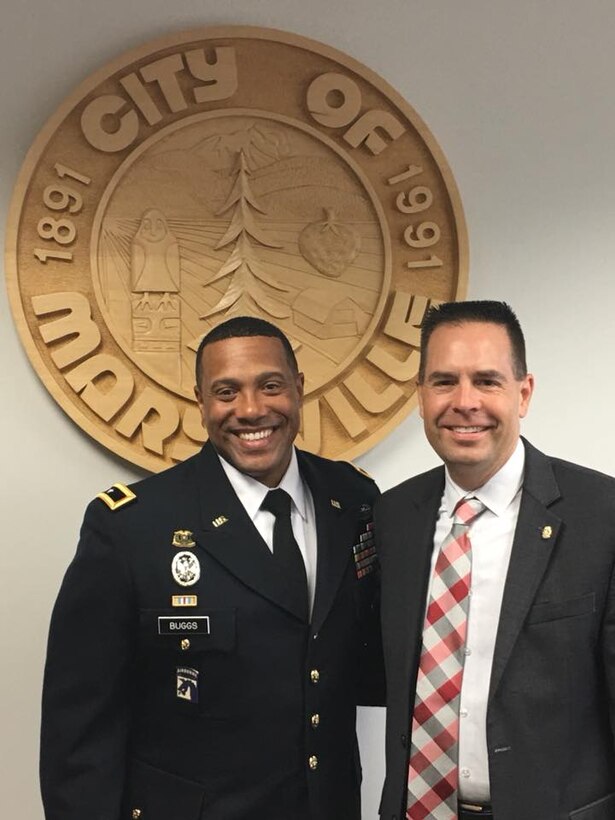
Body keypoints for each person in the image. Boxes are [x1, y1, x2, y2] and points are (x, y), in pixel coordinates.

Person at [40, 316, 384, 820]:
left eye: (270, 385)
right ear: (200, 402)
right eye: (227, 392)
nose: (251, 410)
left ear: (299, 389)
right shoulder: (132, 526)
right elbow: (80, 727)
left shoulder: (352, 499)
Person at [376, 301, 615, 820]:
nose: (464, 402)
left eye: (486, 381)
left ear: (523, 393)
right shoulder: (392, 516)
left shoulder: (602, 515)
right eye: (443, 382)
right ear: (420, 396)